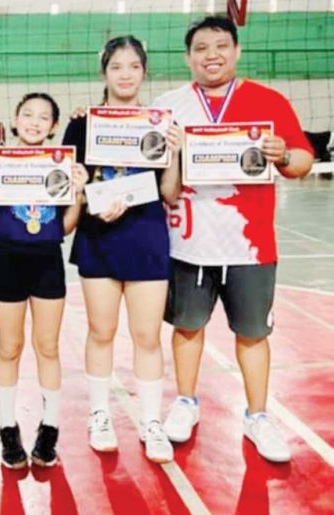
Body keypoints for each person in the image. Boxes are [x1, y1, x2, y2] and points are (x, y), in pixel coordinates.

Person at [154, 16, 313, 462]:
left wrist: (283, 154)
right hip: (186, 240)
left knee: (252, 333)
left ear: (236, 51)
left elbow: (302, 160)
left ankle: (258, 415)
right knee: (187, 327)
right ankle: (185, 402)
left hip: (250, 244)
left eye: (220, 46)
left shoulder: (268, 100)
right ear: (188, 58)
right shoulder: (169, 105)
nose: (211, 55)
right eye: (201, 48)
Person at [0, 92, 88, 468]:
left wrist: (78, 193)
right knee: (9, 347)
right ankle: (8, 429)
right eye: (28, 114)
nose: (34, 121)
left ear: (54, 127)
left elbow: (66, 226)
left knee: (48, 346)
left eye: (44, 117)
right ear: (14, 119)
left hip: (47, 262)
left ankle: (50, 428)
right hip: (7, 261)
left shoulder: (61, 165)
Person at [62, 35, 182, 463]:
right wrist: (94, 199)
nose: (125, 74)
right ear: (104, 73)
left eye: (133, 66)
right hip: (99, 236)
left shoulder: (160, 123)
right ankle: (100, 415)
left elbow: (169, 194)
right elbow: (70, 183)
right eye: (117, 67)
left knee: (148, 336)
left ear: (144, 71)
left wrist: (173, 152)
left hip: (146, 236)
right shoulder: (81, 124)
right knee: (101, 332)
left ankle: (152, 422)